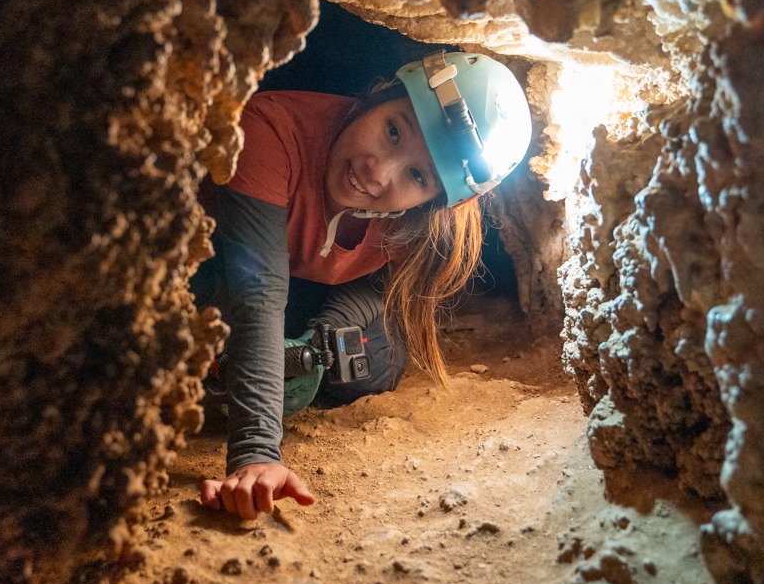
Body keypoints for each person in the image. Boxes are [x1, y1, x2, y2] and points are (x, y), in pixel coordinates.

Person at [195, 50, 532, 520]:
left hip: (299, 304)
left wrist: (322, 342)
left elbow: (388, 291)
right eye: (394, 129)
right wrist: (256, 453)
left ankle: (277, 362)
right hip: (215, 275)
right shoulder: (271, 129)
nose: (378, 171)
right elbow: (258, 295)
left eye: (417, 175)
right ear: (378, 94)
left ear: (435, 200)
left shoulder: (421, 220)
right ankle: (219, 371)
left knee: (376, 357)